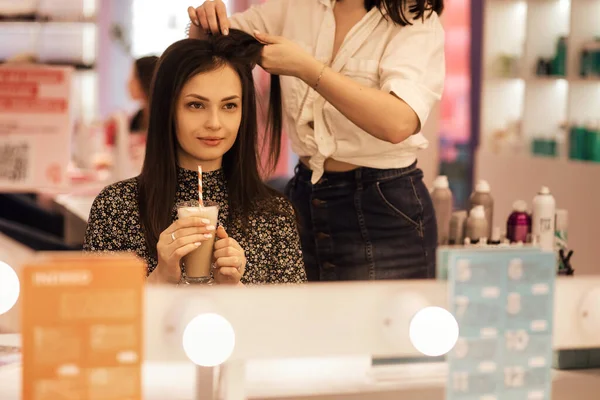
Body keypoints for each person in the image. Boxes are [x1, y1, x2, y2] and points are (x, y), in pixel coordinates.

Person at [187, 0, 445, 281]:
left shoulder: (415, 17)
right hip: (305, 199)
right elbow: (213, 52)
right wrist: (204, 27)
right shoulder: (294, 7)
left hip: (384, 209)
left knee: (382, 322)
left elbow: (398, 122)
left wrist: (307, 68)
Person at [83, 30, 306, 285]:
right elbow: (96, 317)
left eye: (229, 106)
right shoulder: (116, 207)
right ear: (168, 110)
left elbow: (290, 321)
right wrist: (159, 279)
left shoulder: (273, 215)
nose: (214, 123)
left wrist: (236, 290)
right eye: (196, 105)